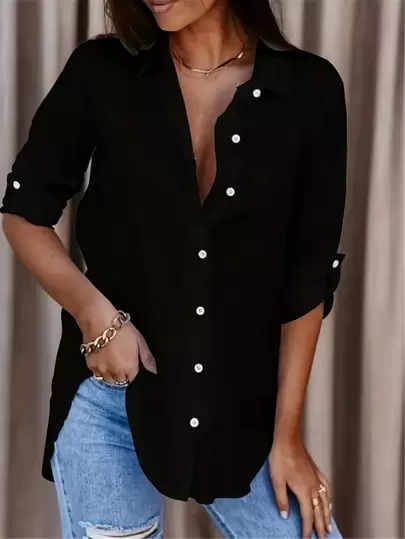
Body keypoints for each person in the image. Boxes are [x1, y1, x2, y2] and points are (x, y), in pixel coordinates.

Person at [1, 0, 347, 537]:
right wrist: (96, 317)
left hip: (240, 410)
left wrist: (287, 436)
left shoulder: (309, 89)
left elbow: (307, 277)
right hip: (111, 396)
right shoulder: (103, 72)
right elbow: (24, 212)